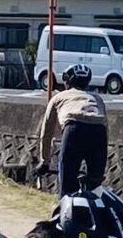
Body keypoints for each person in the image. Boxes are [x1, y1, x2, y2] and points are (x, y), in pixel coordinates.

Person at [33, 65, 109, 194]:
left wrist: (44, 161)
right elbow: (105, 128)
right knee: (95, 187)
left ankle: (67, 202)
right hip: (98, 133)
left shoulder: (59, 97)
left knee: (67, 185)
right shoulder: (97, 99)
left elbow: (47, 131)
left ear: (68, 82)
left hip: (74, 130)